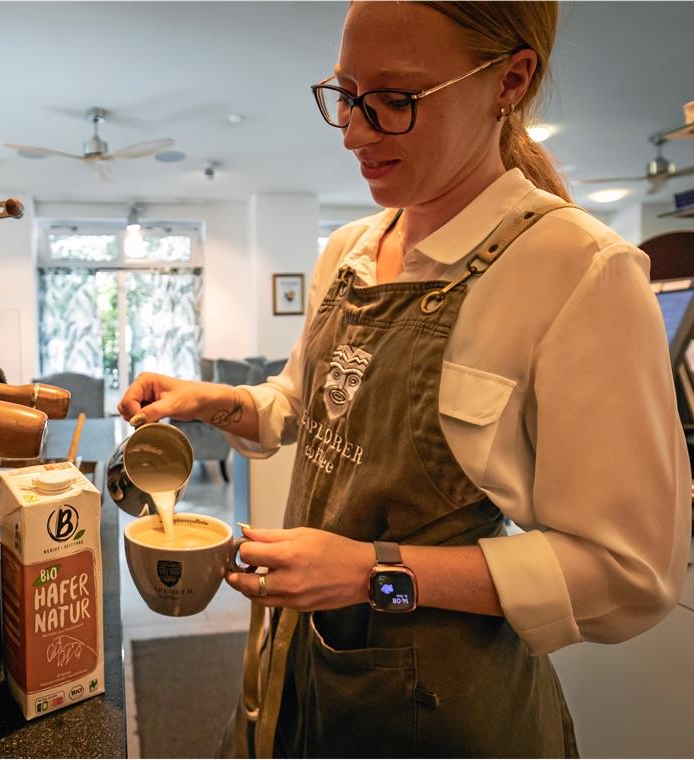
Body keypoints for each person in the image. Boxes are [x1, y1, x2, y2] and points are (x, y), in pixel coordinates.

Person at [118, 2, 690, 757]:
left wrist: (371, 574)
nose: (356, 132)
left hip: (443, 705)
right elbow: (303, 404)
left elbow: (628, 573)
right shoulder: (352, 248)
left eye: (395, 100)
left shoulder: (579, 272)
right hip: (298, 661)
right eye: (347, 95)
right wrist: (214, 401)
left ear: (509, 81)